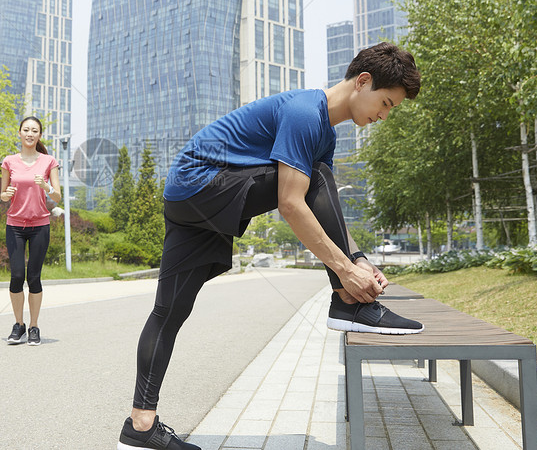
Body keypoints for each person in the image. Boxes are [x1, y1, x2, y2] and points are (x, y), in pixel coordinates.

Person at [117, 42, 424, 450]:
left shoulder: (322, 133)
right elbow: (291, 203)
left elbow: (324, 206)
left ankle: (139, 427)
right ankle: (347, 301)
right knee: (311, 178)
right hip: (201, 182)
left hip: (188, 196)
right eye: (385, 102)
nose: (384, 115)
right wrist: (348, 273)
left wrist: (360, 259)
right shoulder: (304, 113)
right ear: (362, 82)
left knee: (170, 310)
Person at [0, 116, 61, 346]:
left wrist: (46, 186)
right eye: (26, 129)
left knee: (34, 277)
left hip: (40, 226)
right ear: (19, 133)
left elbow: (57, 195)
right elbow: (3, 194)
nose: (29, 133)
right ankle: (19, 325)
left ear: (39, 135)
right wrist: (5, 195)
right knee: (17, 276)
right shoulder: (9, 161)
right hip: (14, 225)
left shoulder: (48, 161)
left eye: (34, 130)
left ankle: (34, 327)